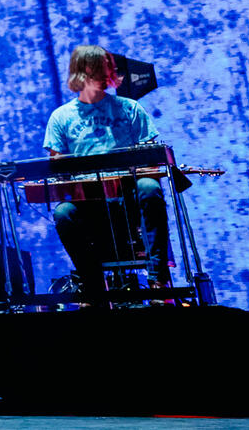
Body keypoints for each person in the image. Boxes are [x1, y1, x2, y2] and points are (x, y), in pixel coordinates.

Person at [44, 45, 169, 299]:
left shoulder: (130, 109)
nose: (106, 74)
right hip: (89, 205)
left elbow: (153, 160)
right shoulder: (60, 117)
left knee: (149, 188)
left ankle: (158, 279)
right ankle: (92, 285)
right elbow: (57, 170)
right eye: (98, 69)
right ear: (82, 72)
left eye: (107, 68)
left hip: (128, 200)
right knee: (63, 212)